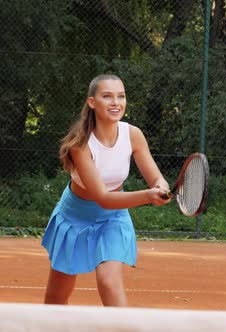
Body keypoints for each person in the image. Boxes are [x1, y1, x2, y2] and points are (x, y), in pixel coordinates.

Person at [41, 74, 171, 307]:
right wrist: (148, 196)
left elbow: (155, 177)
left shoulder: (133, 135)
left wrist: (160, 186)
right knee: (56, 297)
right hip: (75, 216)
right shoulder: (79, 144)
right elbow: (102, 197)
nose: (116, 103)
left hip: (113, 218)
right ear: (92, 102)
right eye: (107, 96)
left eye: (121, 96)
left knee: (110, 283)